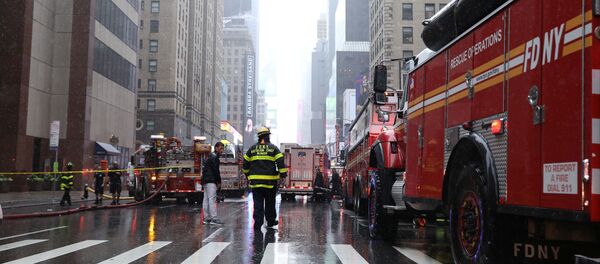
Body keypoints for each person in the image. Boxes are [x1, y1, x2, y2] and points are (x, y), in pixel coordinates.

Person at [243, 127, 288, 229]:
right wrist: (283, 175)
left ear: (259, 137)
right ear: (267, 136)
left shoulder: (252, 149)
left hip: (256, 183)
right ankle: (270, 221)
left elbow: (245, 163)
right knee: (270, 203)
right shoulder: (273, 148)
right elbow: (280, 162)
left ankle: (258, 223)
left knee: (258, 203)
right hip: (270, 183)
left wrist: (247, 175)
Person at [202, 142, 224, 225]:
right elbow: (216, 171)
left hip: (206, 180)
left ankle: (207, 218)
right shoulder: (215, 157)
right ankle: (214, 218)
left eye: (223, 148)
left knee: (206, 199)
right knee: (212, 199)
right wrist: (218, 181)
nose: (222, 150)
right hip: (211, 181)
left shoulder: (210, 156)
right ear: (216, 148)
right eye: (220, 148)